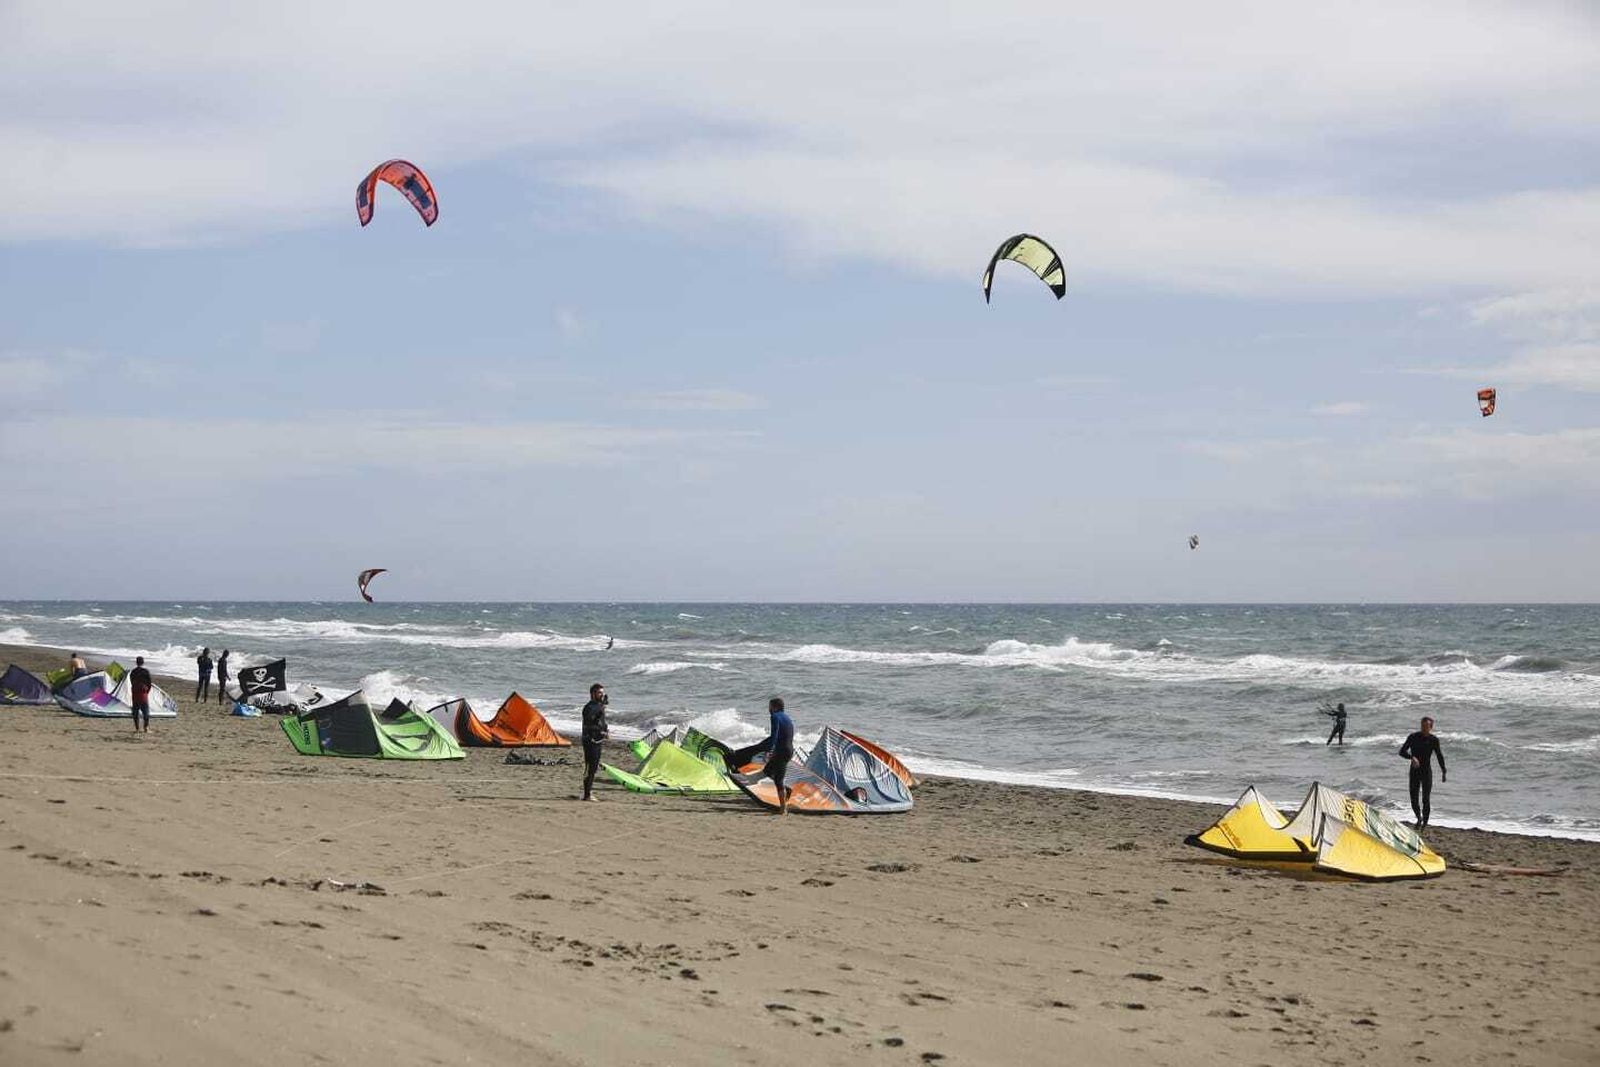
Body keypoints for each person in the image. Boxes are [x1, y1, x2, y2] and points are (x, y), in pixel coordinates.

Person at [1399, 716, 1447, 828]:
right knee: (1414, 798)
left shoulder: (1434, 740)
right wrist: (1412, 757)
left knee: (1426, 799)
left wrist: (1443, 771)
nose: (1424, 728)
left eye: (1426, 726)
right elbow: (1402, 751)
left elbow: (1439, 755)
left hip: (1426, 772)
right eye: (1422, 726)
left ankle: (1425, 823)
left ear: (1431, 727)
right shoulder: (1413, 737)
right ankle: (1419, 818)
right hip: (1414, 771)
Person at [759, 697, 796, 815]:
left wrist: (768, 751)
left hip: (782, 751)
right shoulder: (787, 718)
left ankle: (783, 809)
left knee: (778, 780)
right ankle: (786, 790)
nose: (768, 709)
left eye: (770, 706)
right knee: (768, 771)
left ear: (774, 707)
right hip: (788, 750)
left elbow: (774, 735)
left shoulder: (774, 717)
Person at [580, 682, 608, 801]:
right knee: (590, 768)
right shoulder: (590, 707)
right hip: (590, 741)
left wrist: (605, 730)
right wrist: (601, 732)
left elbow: (600, 722)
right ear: (593, 694)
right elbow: (588, 725)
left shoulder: (599, 706)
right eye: (599, 693)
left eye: (603, 692)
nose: (602, 695)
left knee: (594, 768)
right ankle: (587, 795)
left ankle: (588, 793)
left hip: (597, 740)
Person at [128, 656, 153, 733]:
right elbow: (149, 683)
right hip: (143, 693)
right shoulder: (146, 672)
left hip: (135, 693)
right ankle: (146, 728)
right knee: (145, 711)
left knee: (135, 711)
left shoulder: (133, 672)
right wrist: (147, 691)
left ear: (136, 662)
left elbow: (131, 682)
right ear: (143, 662)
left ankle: (137, 728)